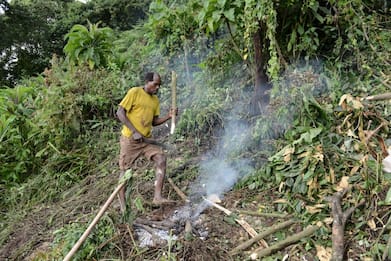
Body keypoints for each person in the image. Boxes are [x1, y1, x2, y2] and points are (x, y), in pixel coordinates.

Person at [116, 72, 176, 212]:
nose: (157, 88)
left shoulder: (155, 100)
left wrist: (168, 116)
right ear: (147, 82)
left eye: (159, 85)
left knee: (161, 158)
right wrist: (134, 131)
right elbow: (120, 113)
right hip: (130, 140)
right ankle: (123, 206)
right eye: (155, 84)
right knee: (125, 172)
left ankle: (157, 197)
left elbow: (154, 122)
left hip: (146, 141)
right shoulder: (135, 92)